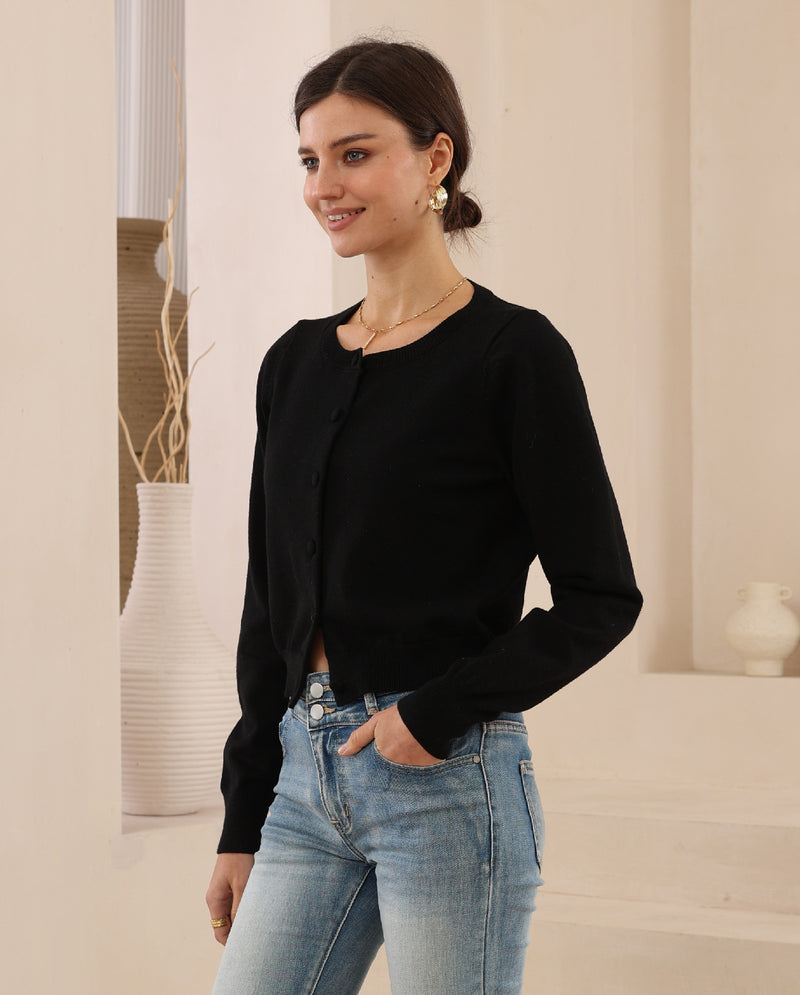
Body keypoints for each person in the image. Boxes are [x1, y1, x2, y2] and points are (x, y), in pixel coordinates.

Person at [206, 38, 642, 995]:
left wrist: (434, 714)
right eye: (310, 159)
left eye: (355, 154)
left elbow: (602, 596)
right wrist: (243, 815)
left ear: (436, 157)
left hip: (444, 779)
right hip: (301, 783)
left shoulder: (513, 354)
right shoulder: (295, 363)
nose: (325, 185)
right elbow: (268, 606)